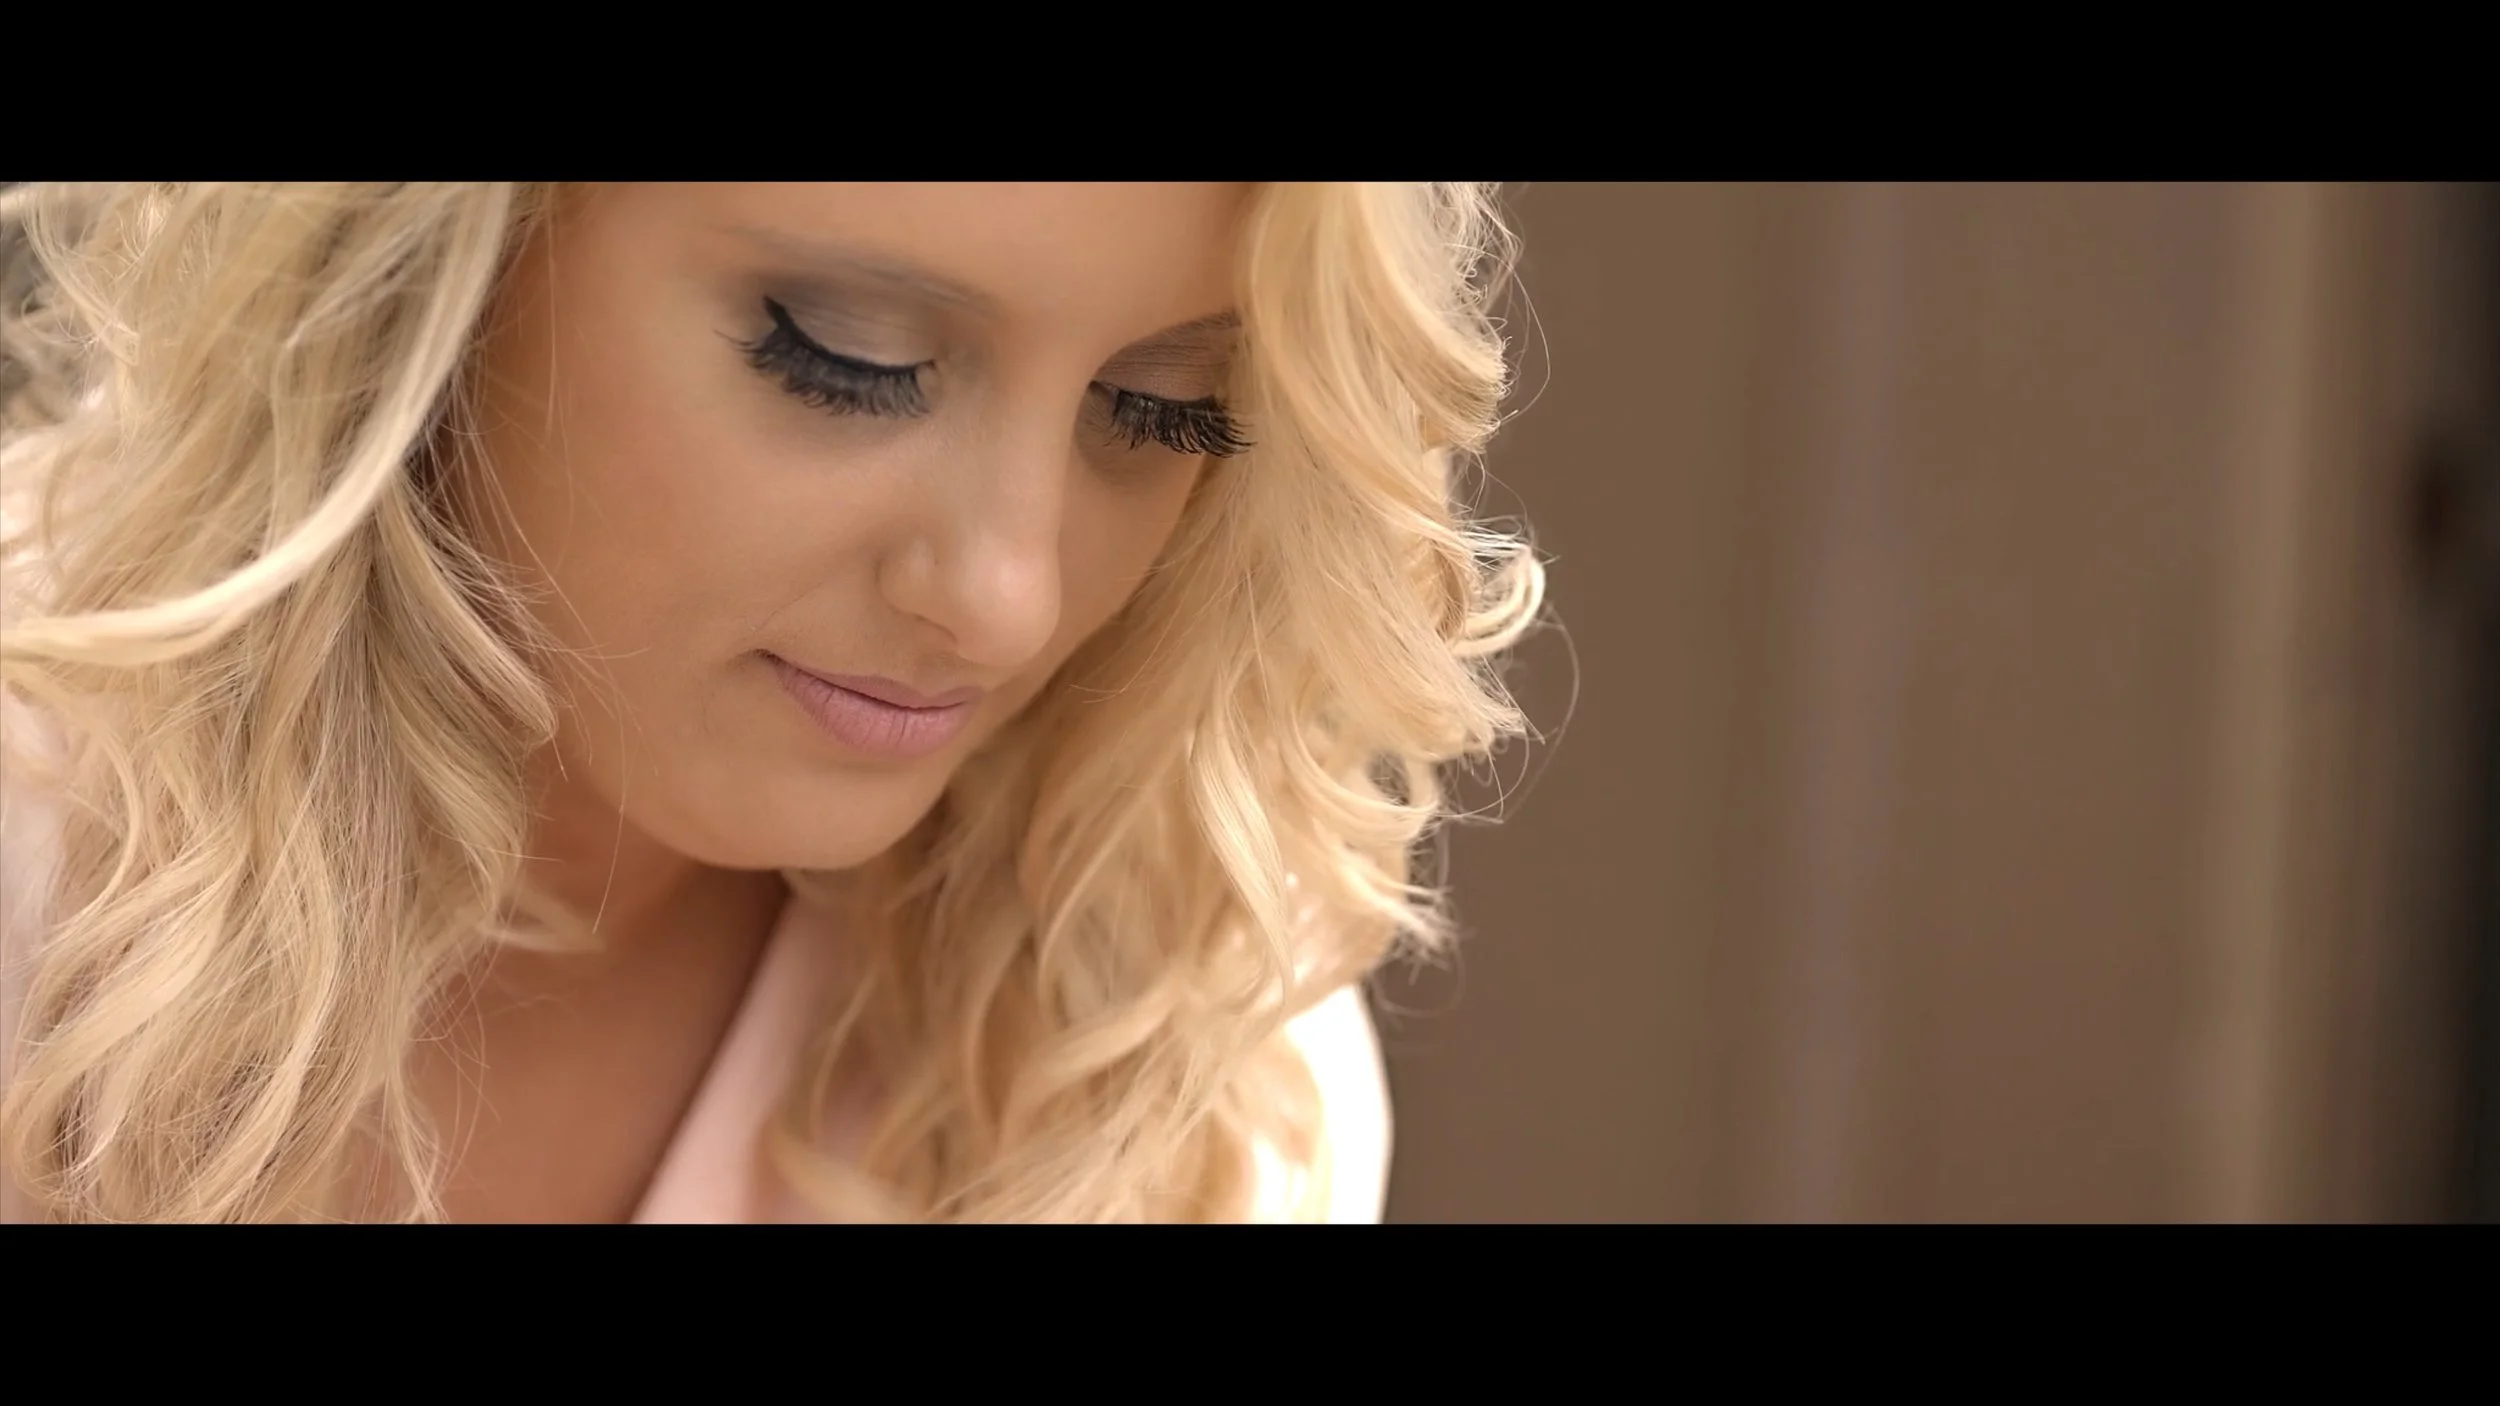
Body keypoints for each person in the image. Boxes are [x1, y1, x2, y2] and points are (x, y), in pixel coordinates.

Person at [0, 182, 1544, 1223]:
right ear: (444, 262)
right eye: (847, 358)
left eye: (1158, 408)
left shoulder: (1176, 1056)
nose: (1008, 593)